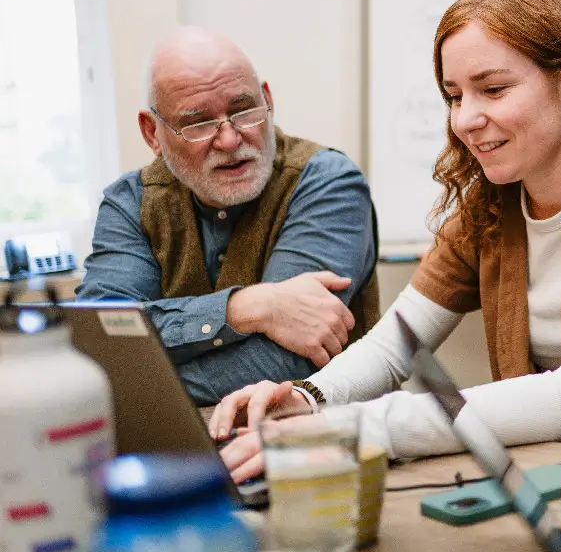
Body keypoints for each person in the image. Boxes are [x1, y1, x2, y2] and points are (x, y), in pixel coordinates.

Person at [209, 0, 561, 482]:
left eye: (493, 89)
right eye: (455, 96)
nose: (465, 120)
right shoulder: (490, 208)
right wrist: (308, 398)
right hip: (555, 479)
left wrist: (351, 428)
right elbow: (395, 346)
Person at [76, 27, 380, 405]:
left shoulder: (327, 182)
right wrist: (245, 308)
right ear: (152, 132)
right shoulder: (129, 204)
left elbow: (288, 360)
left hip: (319, 434)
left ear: (267, 100)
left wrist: (127, 384)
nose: (230, 139)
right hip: (169, 438)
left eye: (243, 111)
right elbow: (104, 337)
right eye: (199, 123)